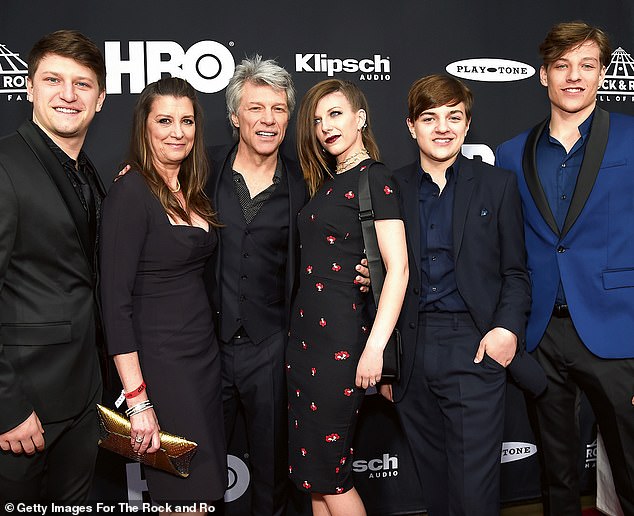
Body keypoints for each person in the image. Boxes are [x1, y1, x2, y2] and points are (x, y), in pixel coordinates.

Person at [205, 57, 370, 516]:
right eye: (256, 108)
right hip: (206, 346)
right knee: (200, 470)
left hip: (275, 346)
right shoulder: (202, 165)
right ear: (235, 115)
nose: (268, 119)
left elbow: (345, 235)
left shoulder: (308, 181)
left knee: (276, 476)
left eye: (278, 109)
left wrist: (368, 268)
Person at [496, 21, 634, 516]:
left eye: (587, 65)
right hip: (542, 334)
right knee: (555, 475)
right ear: (543, 75)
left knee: (630, 468)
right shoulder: (512, 154)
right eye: (562, 66)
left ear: (602, 72)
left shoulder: (632, 138)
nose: (574, 77)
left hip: (617, 328)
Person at [388, 75, 531, 516]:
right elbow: (382, 274)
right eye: (430, 118)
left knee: (473, 496)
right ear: (411, 126)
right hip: (411, 351)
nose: (443, 127)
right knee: (433, 487)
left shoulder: (497, 185)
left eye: (454, 117)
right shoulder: (391, 187)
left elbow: (516, 272)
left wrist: (505, 331)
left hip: (473, 345)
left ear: (468, 125)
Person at [99, 77, 226, 507]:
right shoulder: (130, 192)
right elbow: (114, 304)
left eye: (187, 121)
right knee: (186, 492)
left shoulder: (192, 189)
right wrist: (137, 401)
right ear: (145, 127)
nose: (178, 132)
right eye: (165, 120)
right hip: (161, 368)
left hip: (203, 361)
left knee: (206, 490)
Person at [287, 79, 408, 516]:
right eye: (317, 120)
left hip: (343, 343)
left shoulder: (374, 177)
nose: (325, 127)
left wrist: (374, 348)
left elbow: (399, 268)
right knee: (316, 479)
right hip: (304, 344)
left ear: (360, 119)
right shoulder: (325, 182)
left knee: (332, 478)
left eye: (335, 114)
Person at [0, 30, 106, 501]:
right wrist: (5, 406)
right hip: (25, 406)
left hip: (84, 399)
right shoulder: (4, 165)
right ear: (28, 87)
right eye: (53, 80)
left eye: (82, 84)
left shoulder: (87, 171)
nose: (68, 94)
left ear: (100, 99)